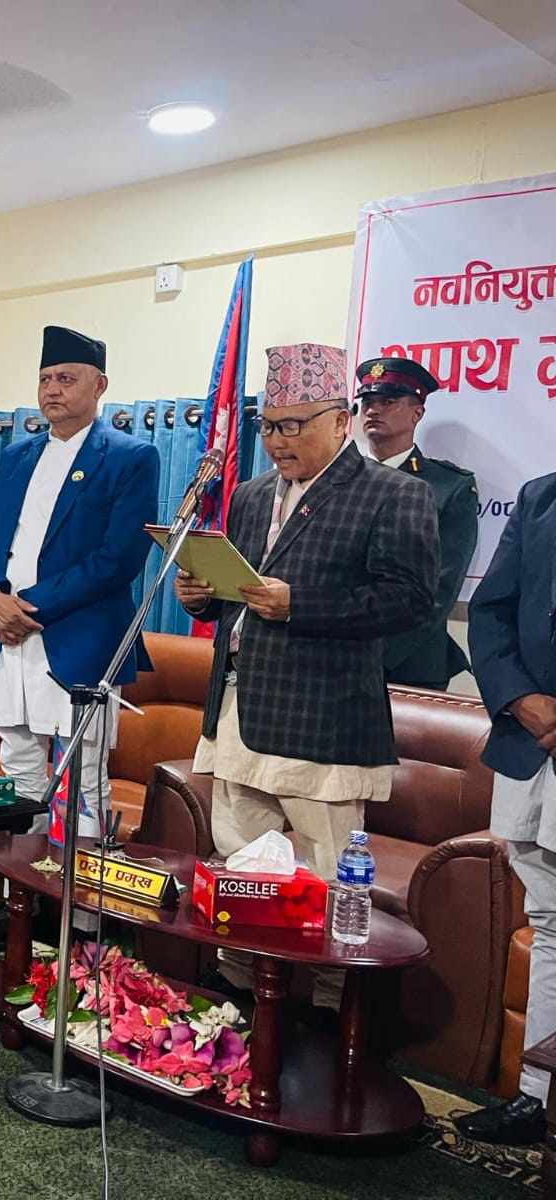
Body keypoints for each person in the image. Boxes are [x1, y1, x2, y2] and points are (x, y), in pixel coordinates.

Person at [175, 342, 437, 1012]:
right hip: (239, 704)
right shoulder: (250, 495)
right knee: (238, 858)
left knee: (326, 871)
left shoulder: (394, 494)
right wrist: (202, 597)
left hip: (323, 715)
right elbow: (238, 594)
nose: (277, 440)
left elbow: (409, 602)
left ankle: (327, 1005)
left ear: (340, 421)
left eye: (293, 425)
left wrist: (301, 605)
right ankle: (239, 984)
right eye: (268, 425)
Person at [0, 326, 159, 832]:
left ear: (99, 385)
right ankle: (20, 879)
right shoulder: (16, 455)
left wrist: (27, 606)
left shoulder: (130, 456)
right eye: (45, 379)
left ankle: (75, 884)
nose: (52, 389)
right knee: (18, 769)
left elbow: (118, 558)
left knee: (83, 779)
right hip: (6, 636)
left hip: (77, 638)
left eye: (66, 379)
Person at [453, 470, 556, 1145]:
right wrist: (520, 698)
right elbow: (491, 611)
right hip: (532, 742)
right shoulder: (541, 496)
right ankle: (538, 1099)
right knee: (548, 918)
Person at [356, 355, 477, 690]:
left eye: (387, 402)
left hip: (407, 663)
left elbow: (440, 589)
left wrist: (375, 658)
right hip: (334, 656)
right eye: (367, 402)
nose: (373, 410)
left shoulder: (448, 486)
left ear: (417, 413)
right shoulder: (340, 479)